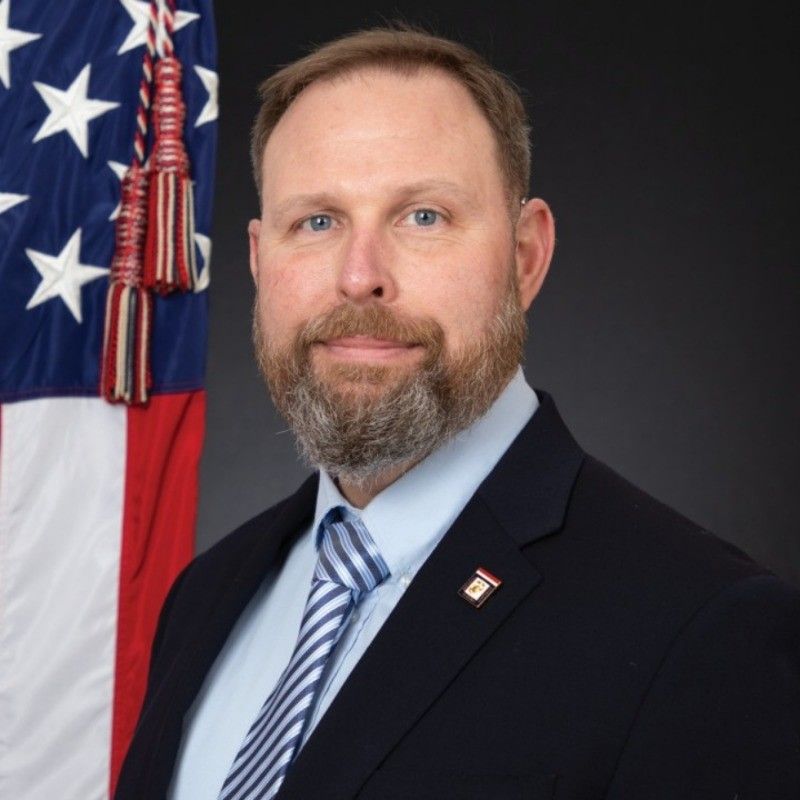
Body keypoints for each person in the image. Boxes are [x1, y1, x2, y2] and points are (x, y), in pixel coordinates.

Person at [116, 26, 800, 800]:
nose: (359, 277)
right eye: (317, 222)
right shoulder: (206, 595)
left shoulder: (703, 628)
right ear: (256, 258)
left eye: (423, 217)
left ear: (526, 257)